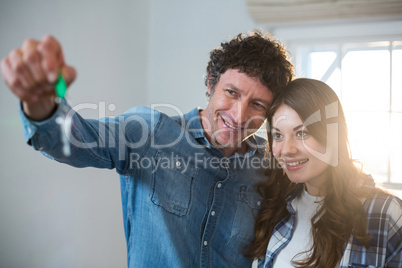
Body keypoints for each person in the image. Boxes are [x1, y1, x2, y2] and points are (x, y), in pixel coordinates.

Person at [0, 31, 294, 267]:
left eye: (257, 105)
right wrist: (41, 106)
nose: (240, 115)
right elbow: (75, 141)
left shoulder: (269, 166)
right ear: (210, 83)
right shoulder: (149, 132)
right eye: (232, 92)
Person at [246, 78, 402, 267]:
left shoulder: (385, 213)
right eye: (278, 135)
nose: (286, 150)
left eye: (302, 133)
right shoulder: (276, 207)